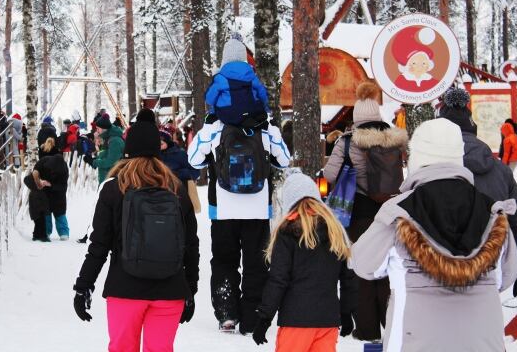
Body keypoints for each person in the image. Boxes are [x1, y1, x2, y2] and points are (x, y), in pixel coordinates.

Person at [351, 118, 517, 352]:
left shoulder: (398, 213)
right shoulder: (492, 212)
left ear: (418, 159)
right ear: (458, 158)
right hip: (483, 343)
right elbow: (506, 276)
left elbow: (363, 263)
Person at [73, 118, 200, 352]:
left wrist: (84, 285)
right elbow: (191, 245)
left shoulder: (114, 189)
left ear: (127, 150)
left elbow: (99, 244)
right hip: (170, 290)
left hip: (124, 290)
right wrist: (190, 289)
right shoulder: (177, 190)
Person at [188, 113, 291, 334]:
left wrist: (207, 129)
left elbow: (194, 159)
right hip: (257, 209)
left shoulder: (215, 123)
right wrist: (272, 129)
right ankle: (252, 317)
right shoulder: (264, 122)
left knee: (225, 261)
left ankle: (227, 313)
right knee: (256, 264)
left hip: (223, 208)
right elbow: (284, 160)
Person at [322, 81, 408, 342]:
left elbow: (330, 174)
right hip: (389, 212)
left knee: (362, 269)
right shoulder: (394, 139)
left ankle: (367, 329)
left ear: (357, 116)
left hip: (358, 213)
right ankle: (389, 322)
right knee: (387, 269)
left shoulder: (347, 142)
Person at [439, 87, 517, 302]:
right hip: (487, 270)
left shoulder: (427, 168)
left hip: (436, 275)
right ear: (473, 129)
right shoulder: (499, 171)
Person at [251, 173, 357, 351]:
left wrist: (265, 317)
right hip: (327, 321)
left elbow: (278, 279)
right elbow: (349, 278)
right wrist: (346, 311)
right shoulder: (335, 231)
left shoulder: (287, 233)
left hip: (295, 321)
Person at [205, 34, 270, 128]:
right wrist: (264, 105)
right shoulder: (251, 75)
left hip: (227, 115)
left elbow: (209, 99)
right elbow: (262, 94)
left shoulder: (221, 77)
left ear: (225, 57)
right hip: (250, 113)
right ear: (243, 56)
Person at [34, 137, 70, 241]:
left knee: (59, 213)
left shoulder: (63, 170)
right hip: (45, 192)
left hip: (58, 193)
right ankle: (46, 232)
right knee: (47, 213)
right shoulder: (44, 162)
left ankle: (63, 233)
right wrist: (39, 182)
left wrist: (50, 185)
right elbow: (35, 171)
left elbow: (63, 186)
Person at [88, 114, 125, 184]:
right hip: (108, 180)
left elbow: (111, 161)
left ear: (103, 129)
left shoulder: (115, 141)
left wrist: (94, 162)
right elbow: (107, 155)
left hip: (112, 182)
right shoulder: (108, 138)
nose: (97, 131)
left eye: (98, 128)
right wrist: (94, 159)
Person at [24, 154, 51, 242]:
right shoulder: (36, 188)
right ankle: (41, 236)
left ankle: (36, 235)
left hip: (37, 210)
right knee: (40, 223)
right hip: (39, 210)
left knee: (38, 223)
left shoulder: (35, 188)